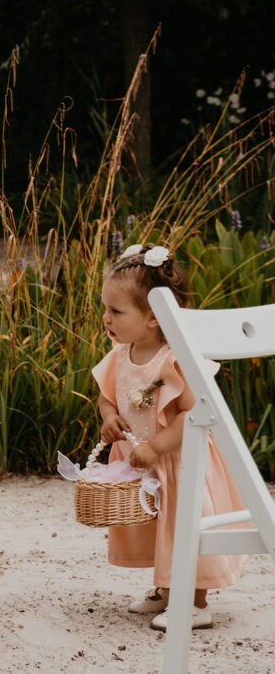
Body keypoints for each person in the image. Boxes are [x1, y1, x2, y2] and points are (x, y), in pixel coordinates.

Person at [94, 243, 249, 631]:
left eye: (116, 311)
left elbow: (194, 413)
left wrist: (157, 446)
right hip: (141, 461)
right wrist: (109, 417)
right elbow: (105, 396)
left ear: (152, 317)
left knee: (184, 524)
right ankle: (165, 589)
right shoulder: (120, 353)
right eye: (106, 308)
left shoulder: (172, 358)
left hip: (179, 459)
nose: (106, 318)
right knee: (157, 529)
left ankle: (196, 601)